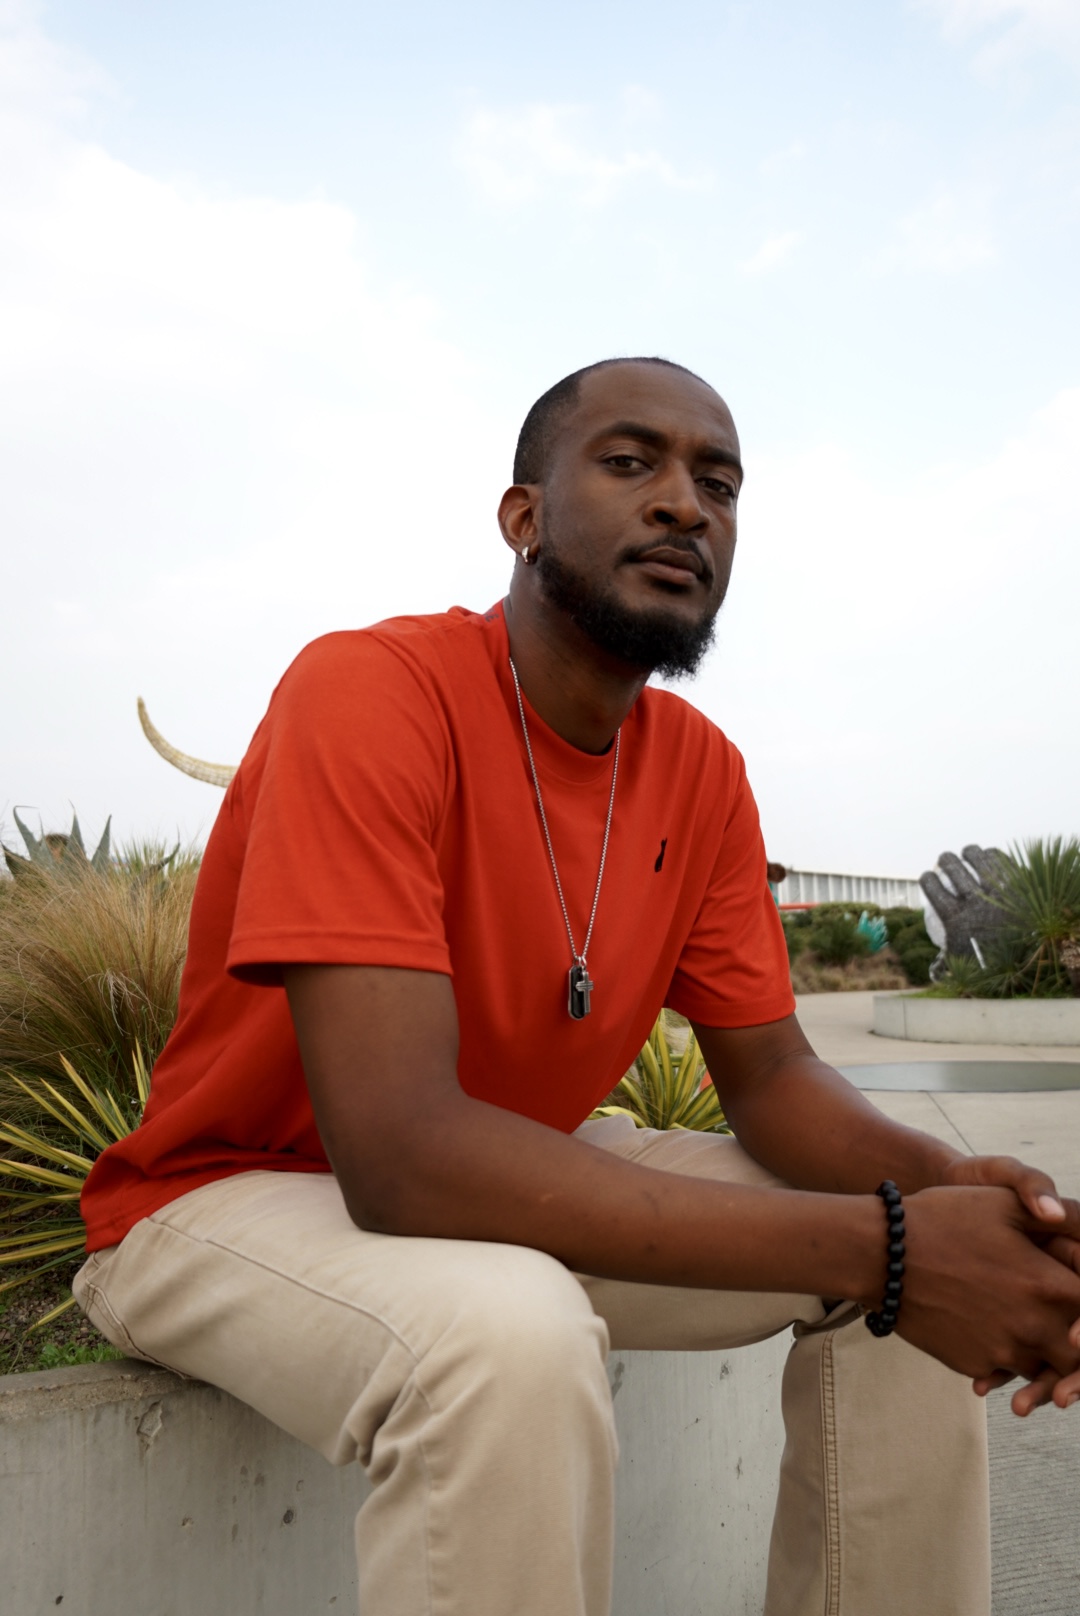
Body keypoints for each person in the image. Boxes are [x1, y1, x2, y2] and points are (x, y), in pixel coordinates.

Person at [76, 357, 1080, 1616]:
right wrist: (889, 1244)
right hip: (224, 1198)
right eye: (630, 462)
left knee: (920, 1246)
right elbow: (397, 1151)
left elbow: (773, 1078)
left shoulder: (702, 772)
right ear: (524, 515)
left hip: (512, 1182)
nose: (684, 504)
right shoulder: (371, 691)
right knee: (508, 1331)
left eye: (719, 483)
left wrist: (964, 1207)